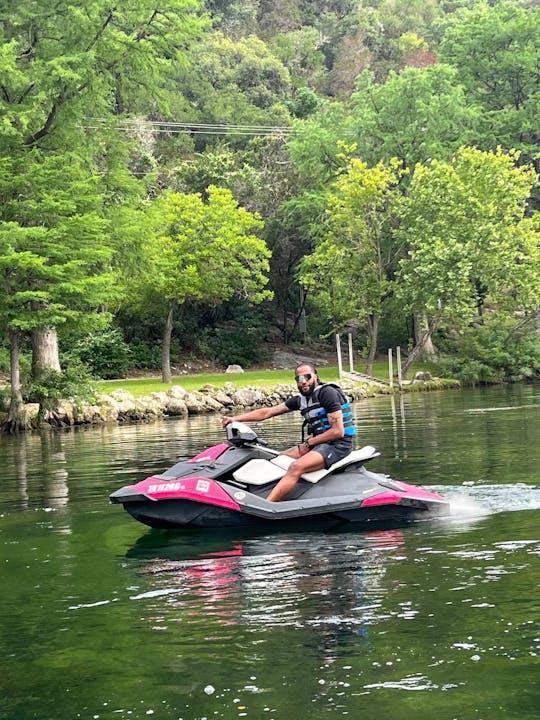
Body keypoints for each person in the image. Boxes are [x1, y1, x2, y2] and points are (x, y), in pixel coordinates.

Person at [221, 363, 356, 502]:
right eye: (299, 378)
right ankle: (265, 493)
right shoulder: (300, 400)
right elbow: (268, 412)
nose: (303, 381)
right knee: (277, 459)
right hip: (319, 443)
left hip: (339, 445)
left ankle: (267, 505)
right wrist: (234, 418)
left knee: (295, 467)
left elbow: (338, 432)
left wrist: (309, 443)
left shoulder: (328, 393)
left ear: (316, 377)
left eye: (307, 377)